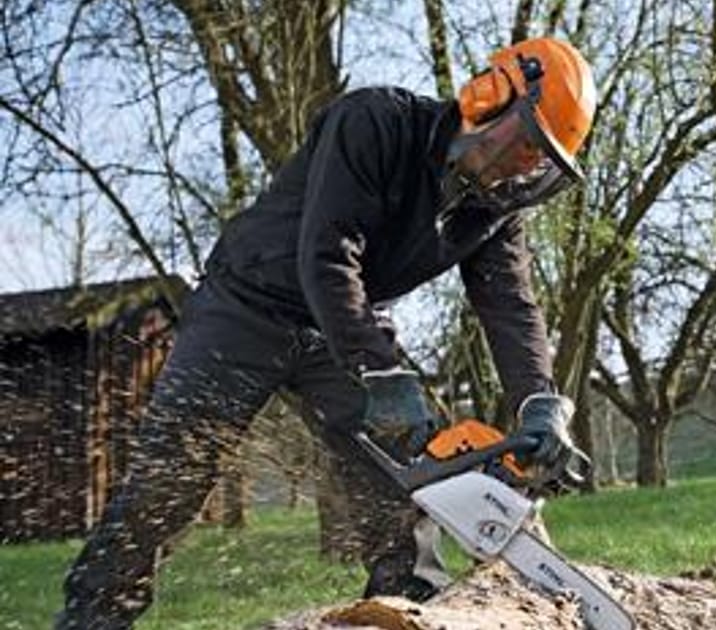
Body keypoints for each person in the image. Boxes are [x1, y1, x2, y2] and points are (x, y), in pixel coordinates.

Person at [55, 37, 597, 629]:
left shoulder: (493, 210)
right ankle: (92, 618)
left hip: (344, 327)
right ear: (488, 98)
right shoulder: (373, 123)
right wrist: (379, 366)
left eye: (541, 157)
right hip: (245, 307)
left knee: (402, 478)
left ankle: (409, 604)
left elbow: (510, 305)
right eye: (526, 142)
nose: (526, 163)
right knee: (170, 476)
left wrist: (540, 402)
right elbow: (328, 254)